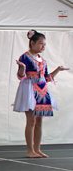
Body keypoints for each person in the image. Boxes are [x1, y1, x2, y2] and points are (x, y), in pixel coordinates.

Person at [13, 29, 69, 158]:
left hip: (42, 91)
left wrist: (58, 70)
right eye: (41, 43)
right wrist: (22, 67)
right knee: (31, 121)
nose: (43, 46)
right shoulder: (25, 57)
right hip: (30, 90)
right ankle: (30, 150)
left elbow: (47, 78)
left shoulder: (43, 61)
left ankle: (37, 149)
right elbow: (21, 76)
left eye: (44, 44)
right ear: (32, 42)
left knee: (39, 122)